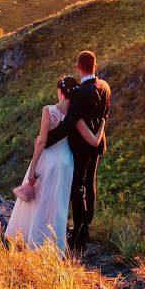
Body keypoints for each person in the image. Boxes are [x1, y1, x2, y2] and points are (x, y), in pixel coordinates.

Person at [5, 75, 104, 255]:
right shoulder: (75, 117)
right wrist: (102, 123)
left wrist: (33, 168)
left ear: (60, 92)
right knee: (58, 205)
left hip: (48, 160)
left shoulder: (48, 110)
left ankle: (33, 241)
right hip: (66, 163)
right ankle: (54, 246)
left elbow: (42, 142)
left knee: (38, 202)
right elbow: (94, 141)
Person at [43, 50, 111, 252]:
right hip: (97, 144)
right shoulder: (105, 86)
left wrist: (46, 140)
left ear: (77, 67)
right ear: (95, 65)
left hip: (81, 147)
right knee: (90, 183)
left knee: (77, 187)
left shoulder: (80, 92)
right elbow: (104, 115)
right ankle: (86, 225)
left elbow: (70, 123)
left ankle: (79, 232)